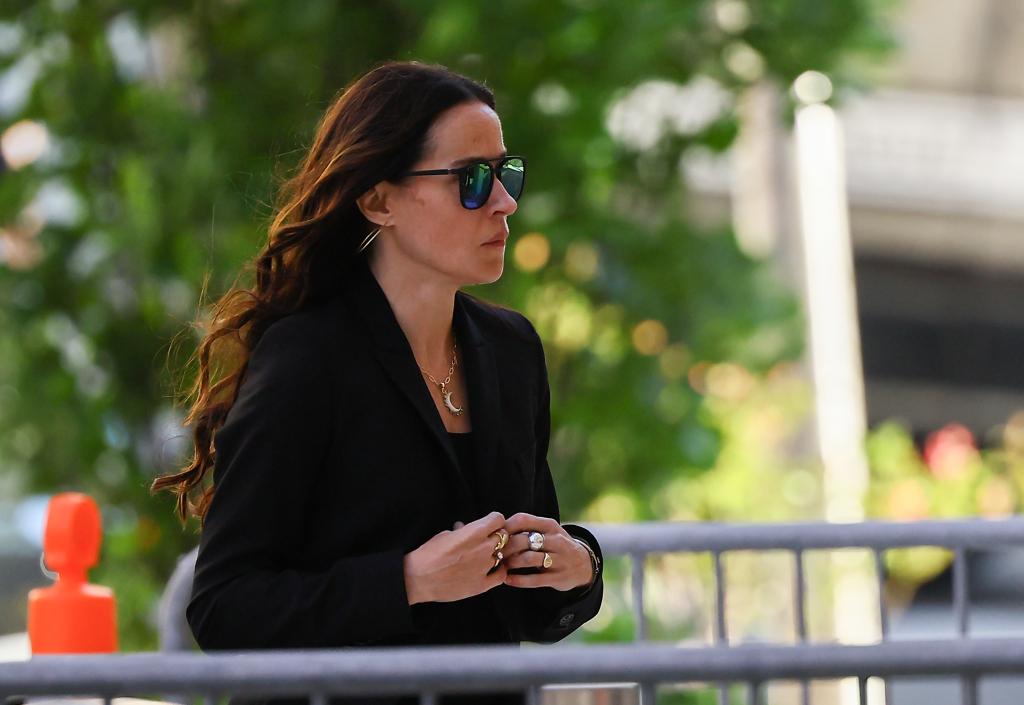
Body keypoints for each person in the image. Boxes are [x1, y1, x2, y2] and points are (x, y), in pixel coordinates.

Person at [151, 60, 604, 705]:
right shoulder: (307, 359)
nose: (503, 201)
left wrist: (578, 568)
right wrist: (407, 581)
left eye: (507, 174)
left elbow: (526, 603)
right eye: (472, 180)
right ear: (379, 199)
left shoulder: (511, 350)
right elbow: (225, 608)